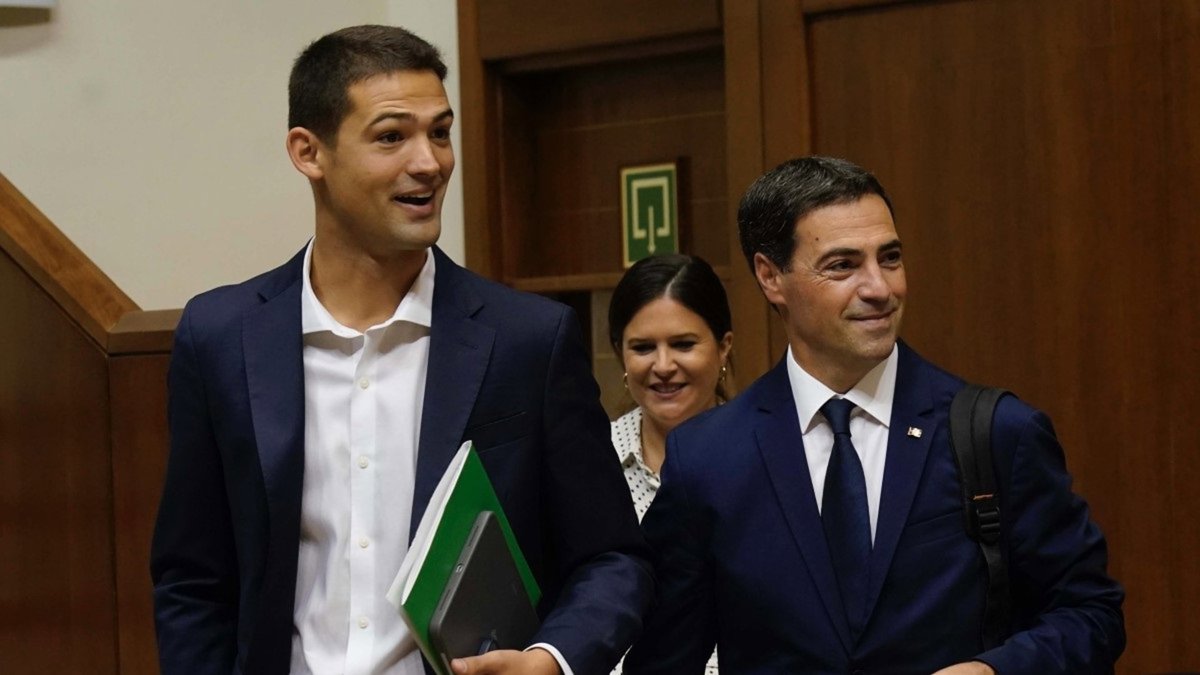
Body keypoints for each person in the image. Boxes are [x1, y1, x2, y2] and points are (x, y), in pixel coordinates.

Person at [150, 25, 653, 675]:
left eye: (440, 133)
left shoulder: (528, 340)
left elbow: (612, 558)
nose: (430, 163)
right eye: (392, 137)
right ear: (309, 152)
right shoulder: (222, 337)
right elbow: (192, 578)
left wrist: (549, 659)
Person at [624, 156, 1125, 674]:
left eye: (890, 258)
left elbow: (1091, 613)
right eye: (843, 265)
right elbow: (664, 660)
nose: (880, 288)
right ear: (771, 277)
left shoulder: (994, 433)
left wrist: (994, 671)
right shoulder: (707, 458)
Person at [606, 254, 733, 675]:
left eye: (683, 344)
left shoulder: (765, 455)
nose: (662, 366)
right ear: (621, 355)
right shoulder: (592, 462)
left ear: (724, 347)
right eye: (643, 348)